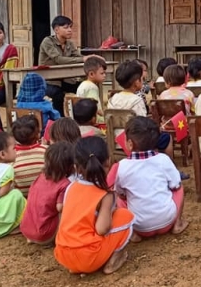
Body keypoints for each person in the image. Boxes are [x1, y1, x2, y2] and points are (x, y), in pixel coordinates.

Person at [54, 137, 135, 275]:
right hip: (88, 258)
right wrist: (109, 212)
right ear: (108, 161)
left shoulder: (70, 187)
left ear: (76, 167)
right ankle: (113, 261)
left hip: (63, 254)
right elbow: (102, 229)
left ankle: (76, 267)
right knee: (125, 216)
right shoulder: (105, 195)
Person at [114, 117, 189, 240]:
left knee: (118, 196)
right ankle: (178, 223)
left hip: (139, 226)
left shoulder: (121, 166)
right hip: (167, 221)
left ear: (130, 144)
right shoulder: (163, 159)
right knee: (179, 188)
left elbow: (121, 193)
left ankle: (132, 233)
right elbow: (176, 185)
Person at [20, 141, 74, 245]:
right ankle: (60, 237)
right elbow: (60, 208)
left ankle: (32, 237)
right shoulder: (65, 184)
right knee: (65, 209)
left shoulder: (40, 177)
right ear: (70, 166)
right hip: (45, 235)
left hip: (26, 230)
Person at [38, 16, 84, 117]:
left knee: (84, 87)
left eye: (70, 27)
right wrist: (83, 59)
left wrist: (89, 59)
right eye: (66, 27)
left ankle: (82, 117)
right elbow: (59, 60)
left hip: (66, 80)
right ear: (56, 30)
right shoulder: (47, 42)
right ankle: (60, 120)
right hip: (48, 81)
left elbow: (78, 57)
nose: (70, 30)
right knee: (58, 94)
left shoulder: (70, 43)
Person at [12, 115, 47, 197]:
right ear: (38, 134)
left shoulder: (11, 157)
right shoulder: (47, 151)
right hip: (44, 197)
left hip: (23, 199)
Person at [75, 56, 107, 124]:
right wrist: (103, 118)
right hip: (92, 122)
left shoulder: (83, 85)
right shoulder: (92, 87)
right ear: (91, 74)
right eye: (102, 73)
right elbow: (95, 107)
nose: (104, 75)